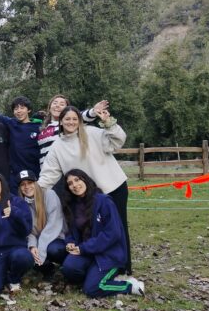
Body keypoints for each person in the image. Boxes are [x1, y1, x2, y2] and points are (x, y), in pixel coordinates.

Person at [37, 105, 133, 274]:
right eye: (67, 119)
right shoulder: (58, 146)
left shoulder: (92, 133)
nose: (71, 122)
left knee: (118, 228)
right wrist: (33, 192)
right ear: (61, 121)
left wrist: (109, 123)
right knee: (91, 230)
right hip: (86, 195)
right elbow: (48, 174)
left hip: (112, 187)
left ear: (80, 121)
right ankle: (97, 265)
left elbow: (117, 141)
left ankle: (123, 268)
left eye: (75, 119)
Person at [58, 169, 144, 297]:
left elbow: (112, 234)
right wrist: (70, 242)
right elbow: (71, 230)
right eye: (70, 183)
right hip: (88, 252)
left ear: (85, 179)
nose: (75, 185)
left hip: (108, 254)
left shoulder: (104, 201)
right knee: (69, 268)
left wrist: (83, 248)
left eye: (77, 180)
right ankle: (94, 275)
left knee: (91, 289)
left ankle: (130, 286)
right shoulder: (73, 205)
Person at [0, 82, 43, 191]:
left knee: (36, 199)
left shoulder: (38, 127)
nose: (19, 111)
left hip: (34, 170)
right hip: (15, 173)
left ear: (29, 110)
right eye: (16, 109)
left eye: (22, 108)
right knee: (16, 201)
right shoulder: (11, 123)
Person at [0, 171, 34, 295]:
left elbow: (26, 230)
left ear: (2, 183)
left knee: (24, 258)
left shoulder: (17, 202)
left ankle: (14, 278)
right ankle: (1, 273)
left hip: (16, 249)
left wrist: (15, 213)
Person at [16, 170, 66, 277]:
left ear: (36, 183)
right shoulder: (22, 203)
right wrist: (32, 247)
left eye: (30, 183)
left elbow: (54, 226)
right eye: (22, 184)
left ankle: (66, 267)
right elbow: (29, 231)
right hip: (39, 240)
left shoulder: (49, 195)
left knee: (54, 250)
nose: (26, 186)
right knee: (28, 251)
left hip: (57, 238)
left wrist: (40, 252)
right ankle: (47, 269)